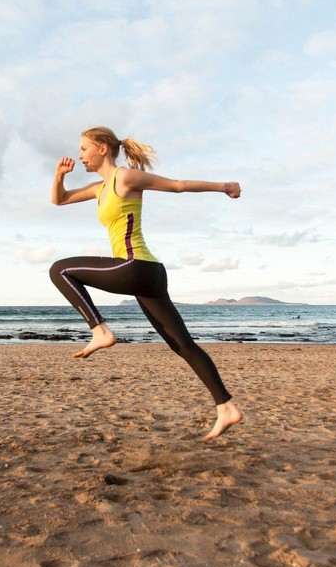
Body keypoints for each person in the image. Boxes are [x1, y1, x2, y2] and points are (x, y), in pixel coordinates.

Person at [49, 126, 243, 441]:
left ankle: (100, 330)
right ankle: (226, 407)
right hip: (147, 276)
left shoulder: (125, 177)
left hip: (135, 266)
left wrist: (225, 186)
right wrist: (59, 176)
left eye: (84, 148)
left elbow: (177, 185)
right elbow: (59, 201)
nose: (80, 155)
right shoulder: (99, 188)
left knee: (60, 270)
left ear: (101, 148)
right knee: (182, 345)